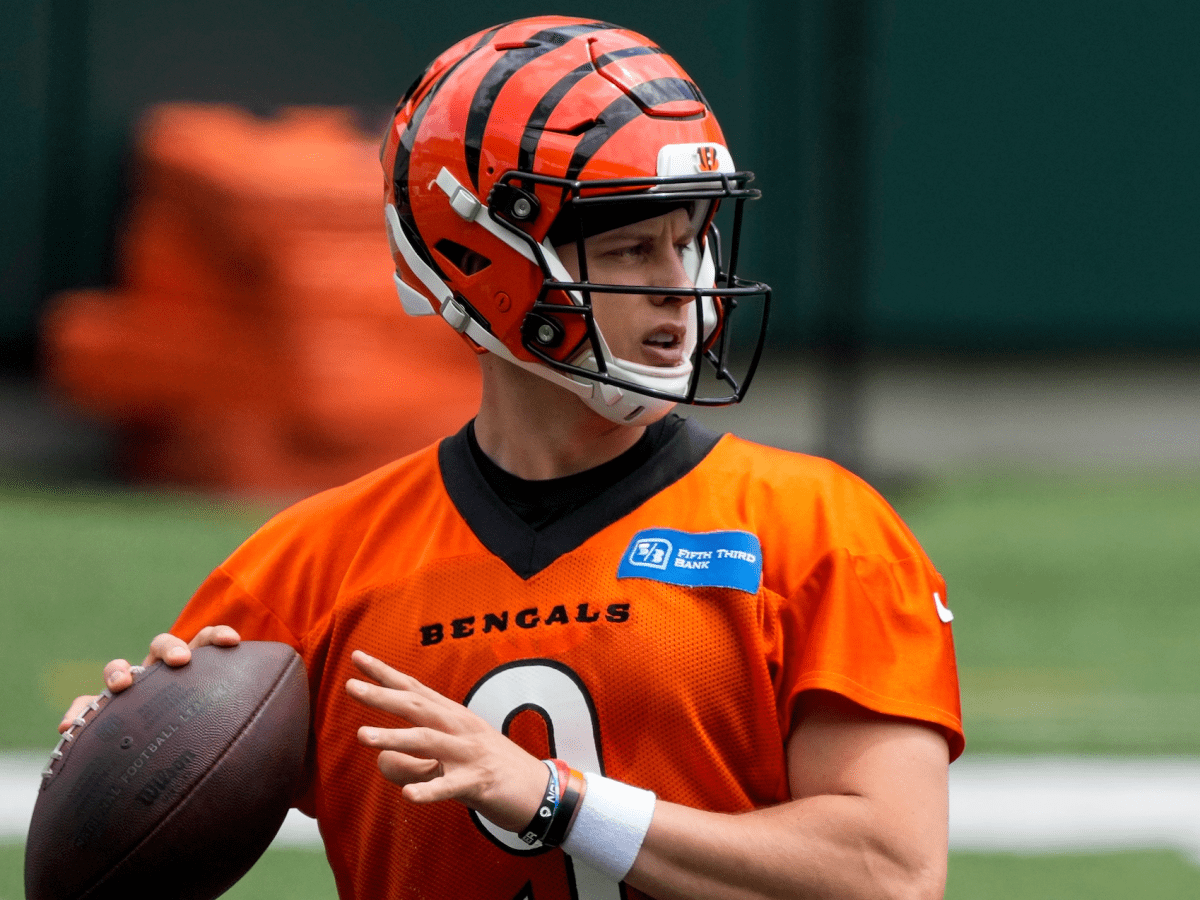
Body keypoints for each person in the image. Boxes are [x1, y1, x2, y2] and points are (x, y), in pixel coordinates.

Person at [63, 16, 962, 900]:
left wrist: (557, 803)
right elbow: (168, 805)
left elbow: (888, 874)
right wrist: (124, 765)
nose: (681, 288)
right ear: (486, 259)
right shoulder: (307, 569)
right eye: (630, 248)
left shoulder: (823, 534)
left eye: (689, 239)